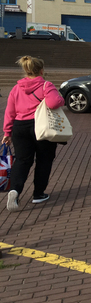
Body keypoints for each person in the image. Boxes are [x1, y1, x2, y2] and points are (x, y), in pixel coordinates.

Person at [2, 56, 65, 212]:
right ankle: (38, 194)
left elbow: (10, 112)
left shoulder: (16, 88)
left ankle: (15, 190)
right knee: (44, 160)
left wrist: (7, 132)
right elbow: (53, 103)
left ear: (25, 70)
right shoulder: (45, 85)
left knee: (22, 161)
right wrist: (61, 99)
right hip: (41, 127)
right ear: (41, 71)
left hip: (19, 127)